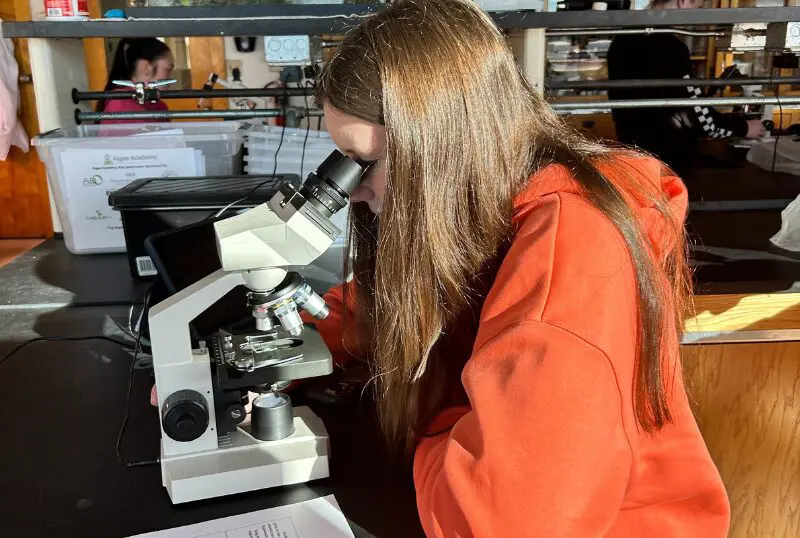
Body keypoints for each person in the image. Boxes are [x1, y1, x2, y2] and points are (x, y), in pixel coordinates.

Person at [308, 0, 729, 536]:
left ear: (443, 145)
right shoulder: (499, 202)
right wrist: (294, 338)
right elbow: (406, 295)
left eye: (364, 161)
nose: (355, 188)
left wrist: (439, 419)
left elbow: (501, 521)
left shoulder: (572, 259)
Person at [607, 0, 766, 176]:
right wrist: (744, 127)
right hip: (668, 164)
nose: (695, 16)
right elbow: (699, 117)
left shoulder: (622, 38)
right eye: (697, 8)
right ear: (684, 1)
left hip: (635, 158)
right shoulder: (670, 46)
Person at [96, 38, 175, 124]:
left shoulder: (159, 106)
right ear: (146, 67)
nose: (170, 78)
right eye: (168, 69)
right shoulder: (120, 106)